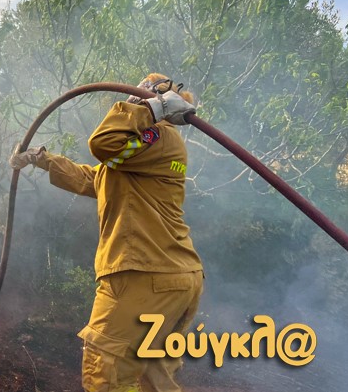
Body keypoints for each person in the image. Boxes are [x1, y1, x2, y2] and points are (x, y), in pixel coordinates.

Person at [10, 73, 204, 392]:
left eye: (139, 92)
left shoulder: (157, 135)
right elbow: (95, 178)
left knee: (106, 372)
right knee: (153, 376)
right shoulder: (145, 150)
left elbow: (103, 144)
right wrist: (41, 160)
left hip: (144, 275)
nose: (130, 98)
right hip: (173, 276)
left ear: (157, 97)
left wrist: (151, 109)